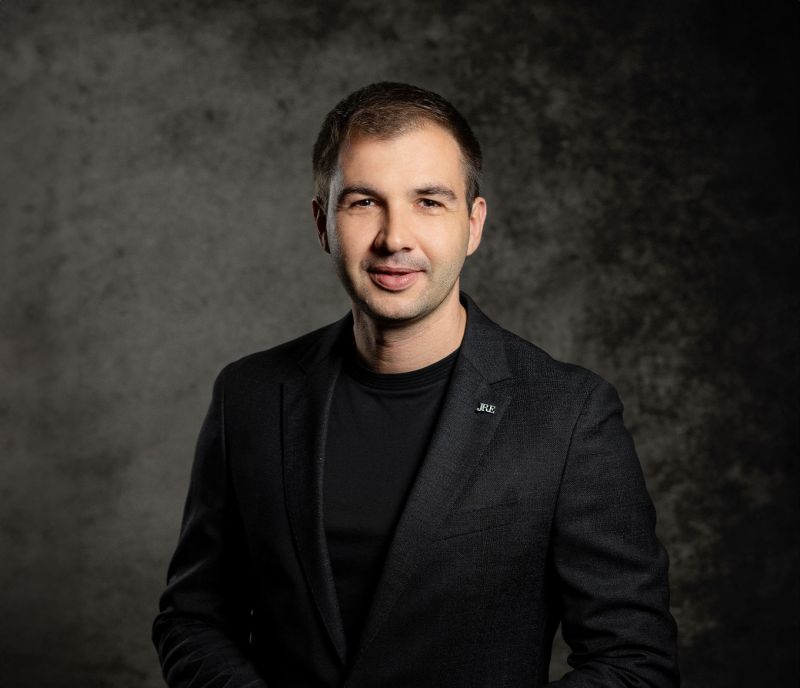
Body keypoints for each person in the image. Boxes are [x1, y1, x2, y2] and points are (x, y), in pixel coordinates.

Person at [153, 82, 679, 687]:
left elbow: (634, 664)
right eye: (363, 202)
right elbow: (193, 620)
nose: (394, 237)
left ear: (473, 225)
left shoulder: (568, 416)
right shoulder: (248, 395)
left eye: (429, 202)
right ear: (323, 223)